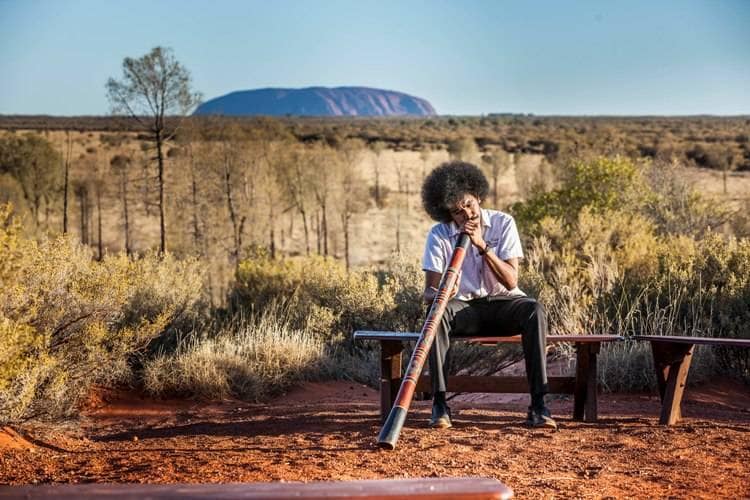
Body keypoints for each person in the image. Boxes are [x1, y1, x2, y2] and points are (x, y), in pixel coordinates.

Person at [420, 160, 556, 430]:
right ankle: (439, 404)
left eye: (469, 205)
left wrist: (483, 246)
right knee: (435, 312)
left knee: (534, 310)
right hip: (464, 309)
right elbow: (428, 292)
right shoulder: (439, 234)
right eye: (457, 213)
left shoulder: (503, 223)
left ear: (478, 196)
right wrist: (445, 292)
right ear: (448, 214)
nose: (466, 215)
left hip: (503, 304)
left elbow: (511, 279)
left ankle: (539, 405)